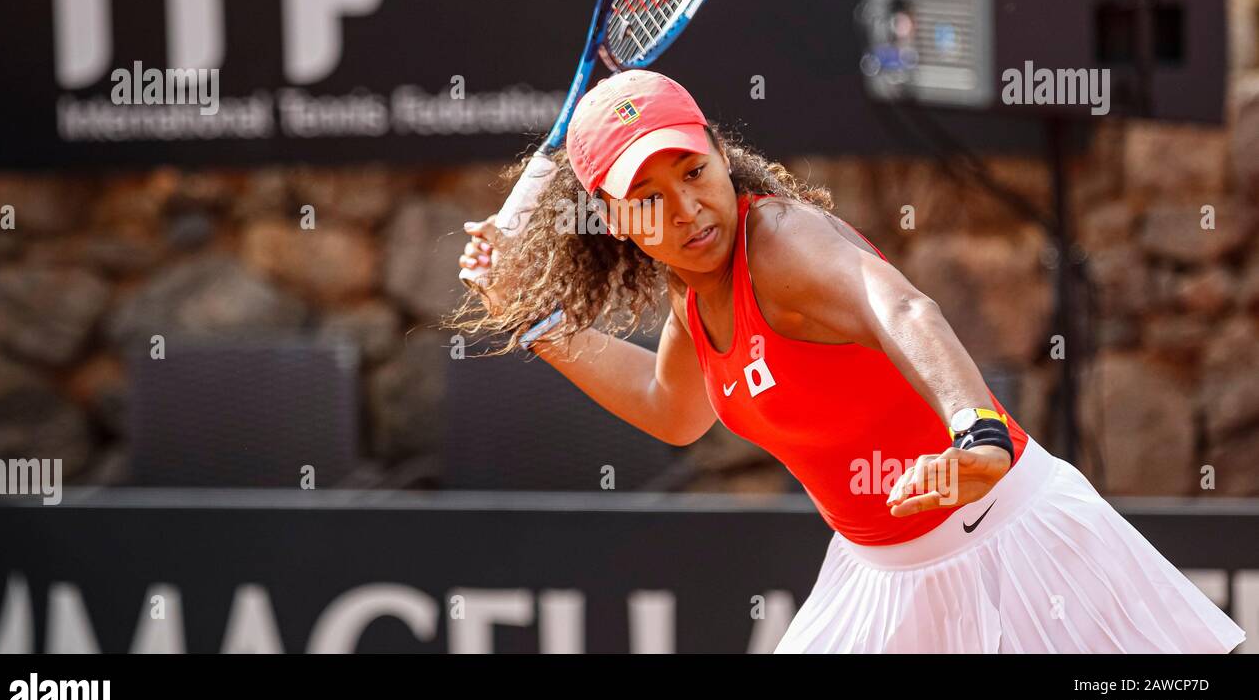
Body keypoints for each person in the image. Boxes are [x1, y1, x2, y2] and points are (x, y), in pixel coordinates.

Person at [447, 68, 1246, 654]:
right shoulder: (698, 298)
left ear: (721, 153)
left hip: (1013, 547)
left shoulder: (786, 243)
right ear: (612, 220)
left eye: (693, 170)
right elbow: (672, 408)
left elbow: (901, 307)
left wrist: (978, 435)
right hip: (882, 581)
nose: (688, 208)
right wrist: (543, 324)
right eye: (648, 197)